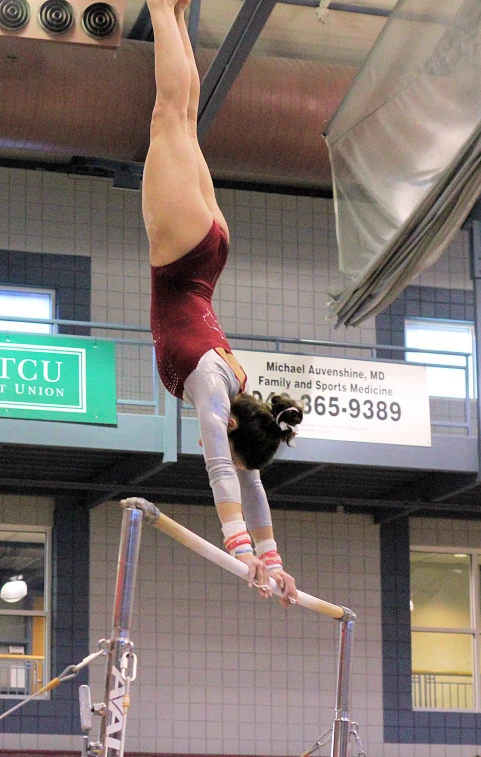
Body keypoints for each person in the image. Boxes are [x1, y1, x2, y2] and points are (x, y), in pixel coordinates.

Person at [142, 0, 303, 606]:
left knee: (182, 121)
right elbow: (220, 467)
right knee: (168, 118)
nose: (236, 461)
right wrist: (240, 552)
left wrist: (274, 560)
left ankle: (178, 16)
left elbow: (251, 480)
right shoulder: (215, 392)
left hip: (210, 254)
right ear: (233, 426)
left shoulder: (240, 390)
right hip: (182, 254)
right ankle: (163, 8)